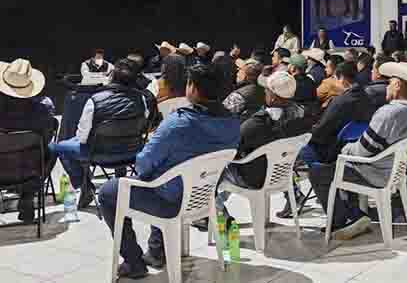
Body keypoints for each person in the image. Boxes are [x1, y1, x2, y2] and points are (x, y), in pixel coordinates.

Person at [98, 64, 240, 278]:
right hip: (204, 197)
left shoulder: (178, 123)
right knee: (165, 175)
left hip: (170, 202)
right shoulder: (233, 123)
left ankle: (134, 261)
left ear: (193, 88)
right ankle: (156, 251)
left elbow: (143, 164)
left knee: (109, 192)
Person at [309, 62, 407, 240]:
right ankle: (354, 214)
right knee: (340, 165)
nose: (387, 86)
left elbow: (363, 151)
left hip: (375, 171)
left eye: (390, 82)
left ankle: (345, 220)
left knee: (319, 172)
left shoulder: (389, 113)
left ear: (398, 85)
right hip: (396, 171)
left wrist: (345, 148)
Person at [51, 59, 155, 208]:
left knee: (60, 147)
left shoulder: (94, 101)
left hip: (99, 154)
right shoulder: (142, 100)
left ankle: (84, 185)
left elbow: (82, 138)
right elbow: (141, 126)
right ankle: (120, 179)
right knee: (121, 135)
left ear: (112, 77)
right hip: (132, 153)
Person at [215, 70, 312, 219]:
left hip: (255, 178)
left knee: (216, 167)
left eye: (266, 90)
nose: (264, 92)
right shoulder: (302, 117)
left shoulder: (255, 124)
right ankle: (295, 193)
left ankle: (221, 217)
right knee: (278, 155)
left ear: (272, 97)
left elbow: (232, 150)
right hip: (282, 174)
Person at [0, 59, 57, 223]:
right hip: (27, 171)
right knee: (53, 149)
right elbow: (45, 141)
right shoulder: (42, 111)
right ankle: (28, 194)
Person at [307, 62, 376, 164]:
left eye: (335, 78)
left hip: (331, 151)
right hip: (355, 149)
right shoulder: (368, 98)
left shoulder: (340, 101)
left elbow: (321, 129)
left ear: (342, 78)